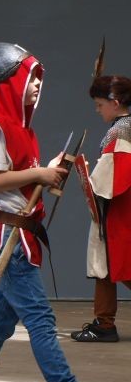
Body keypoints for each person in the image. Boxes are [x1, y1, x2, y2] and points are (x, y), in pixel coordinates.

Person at [0, 42, 129, 382]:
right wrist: (39, 174)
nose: (37, 86)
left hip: (19, 235)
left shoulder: (22, 130)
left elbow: (15, 179)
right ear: (9, 82)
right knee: (41, 320)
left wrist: (46, 173)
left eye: (38, 79)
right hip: (7, 238)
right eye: (30, 78)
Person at [71, 75, 131, 343]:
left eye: (99, 104)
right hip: (117, 207)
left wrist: (90, 180)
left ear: (114, 103)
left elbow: (114, 176)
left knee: (117, 263)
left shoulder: (122, 130)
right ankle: (104, 323)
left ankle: (105, 324)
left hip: (120, 208)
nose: (97, 110)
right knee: (105, 265)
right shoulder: (122, 128)